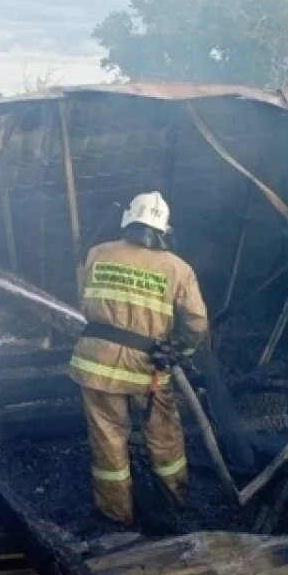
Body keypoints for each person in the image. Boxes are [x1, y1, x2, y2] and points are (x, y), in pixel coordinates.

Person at [68, 190, 209, 527]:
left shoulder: (97, 253)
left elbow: (85, 302)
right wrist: (180, 349)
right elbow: (197, 323)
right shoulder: (178, 268)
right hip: (149, 369)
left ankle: (116, 515)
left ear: (127, 222)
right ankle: (176, 500)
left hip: (95, 364)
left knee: (108, 440)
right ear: (163, 230)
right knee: (164, 437)